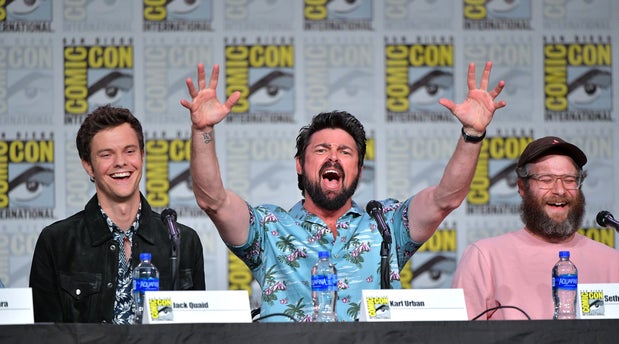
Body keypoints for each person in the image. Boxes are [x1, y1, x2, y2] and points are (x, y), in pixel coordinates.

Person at [181, 62, 506, 322]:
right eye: (321, 149)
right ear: (300, 164)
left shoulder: (386, 225)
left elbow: (444, 198)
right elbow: (213, 200)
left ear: (359, 170)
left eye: (346, 152)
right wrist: (202, 131)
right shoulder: (269, 227)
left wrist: (472, 134)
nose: (334, 157)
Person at [29, 105, 206, 323]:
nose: (121, 162)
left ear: (142, 155)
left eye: (129, 151)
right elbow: (44, 341)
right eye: (106, 154)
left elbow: (197, 338)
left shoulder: (182, 241)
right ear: (88, 166)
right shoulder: (56, 242)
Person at [451, 136, 619, 320]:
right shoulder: (484, 258)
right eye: (546, 179)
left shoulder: (614, 263)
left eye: (569, 180)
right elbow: (461, 343)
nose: (560, 190)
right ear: (522, 187)